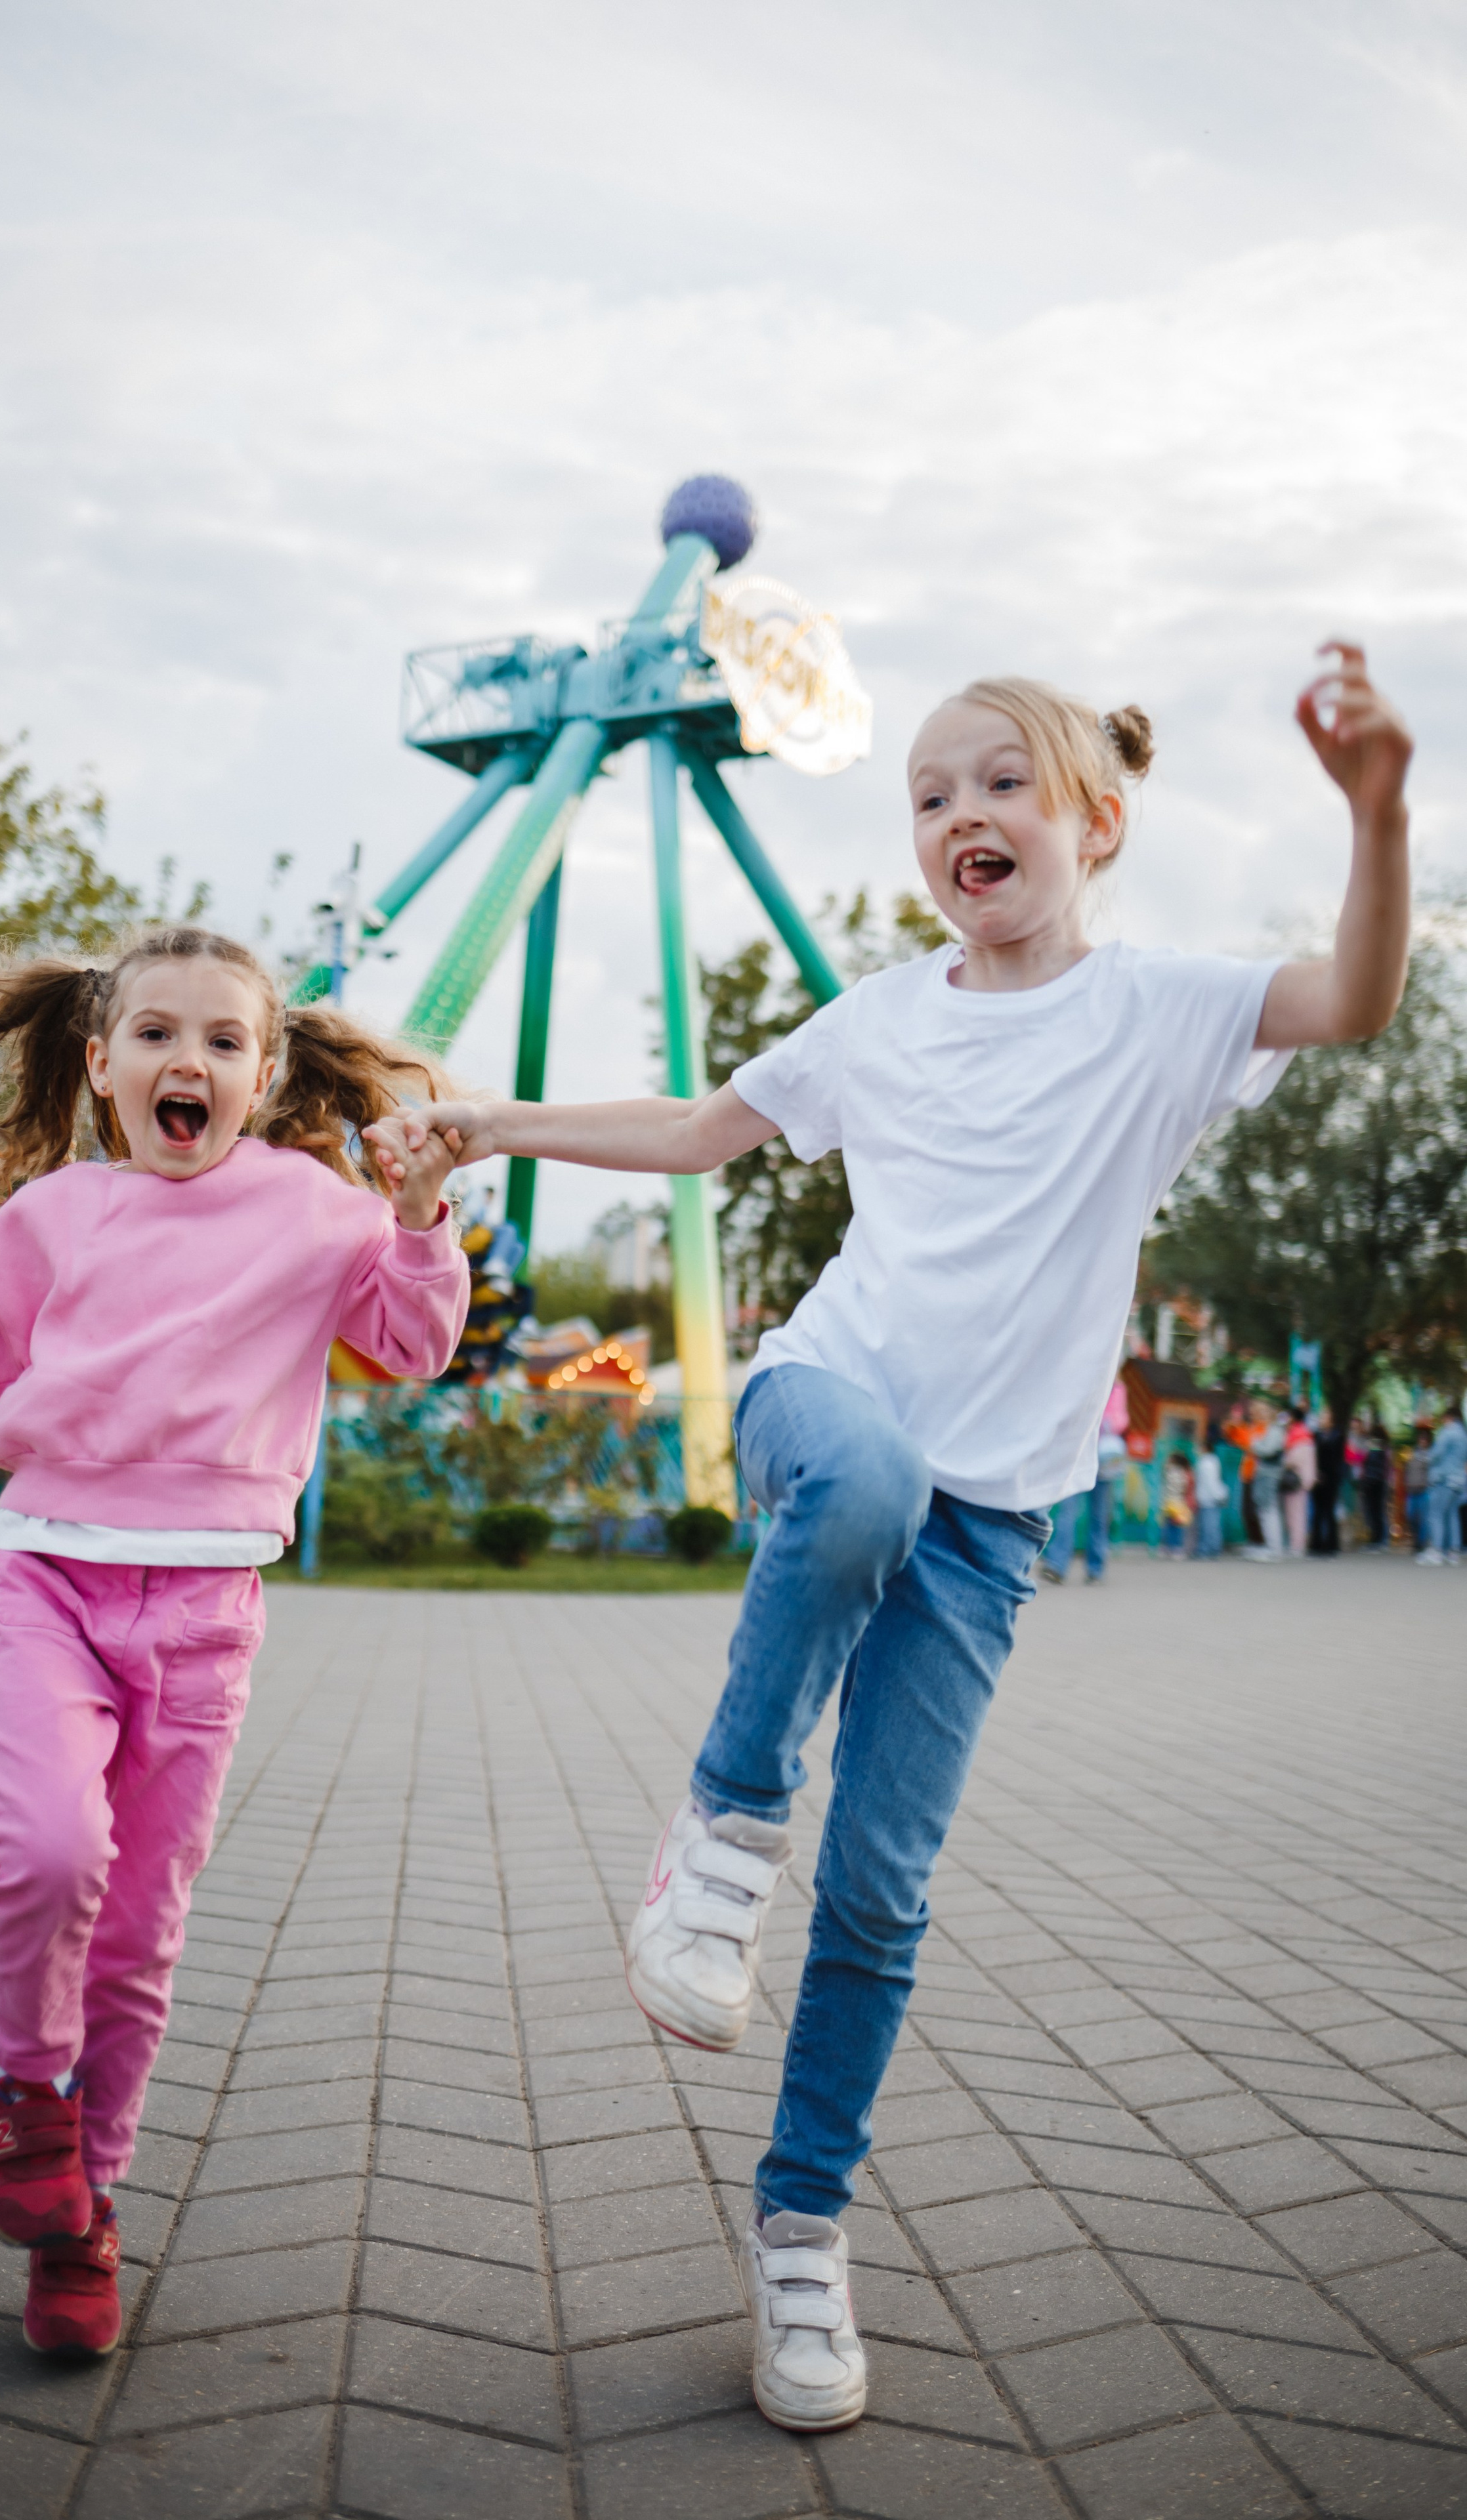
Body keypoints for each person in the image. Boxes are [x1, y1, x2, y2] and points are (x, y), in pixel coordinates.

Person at [375, 642, 1411, 2433]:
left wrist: (1379, 812)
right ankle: (720, 1833)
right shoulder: (879, 1018)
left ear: (1094, 822)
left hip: (993, 1519)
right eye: (929, 796)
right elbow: (702, 1135)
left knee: (883, 1897)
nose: (959, 818)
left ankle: (800, 2232)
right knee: (861, 1487)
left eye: (998, 784)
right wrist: (491, 1124)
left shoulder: (1165, 1012)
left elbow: (1358, 1000)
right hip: (826, 1402)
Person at [0, 927, 468, 2360]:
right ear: (101, 1061)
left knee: (137, 1930)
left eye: (218, 1041)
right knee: (51, 1856)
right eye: (153, 1035)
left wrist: (424, 1212)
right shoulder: (53, 1216)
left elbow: (409, 1340)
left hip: (205, 1612)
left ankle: (85, 2214)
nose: (183, 1061)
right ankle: (28, 2098)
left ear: (260, 1080)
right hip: (48, 1586)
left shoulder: (315, 1217)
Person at [1040, 1377, 1128, 1584]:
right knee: (1068, 1512)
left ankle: (1095, 1568)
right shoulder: (1086, 1379)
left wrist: (1102, 1421)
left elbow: (1121, 1421)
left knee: (1097, 1515)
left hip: (1102, 1460)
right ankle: (1057, 1565)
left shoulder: (1117, 1388)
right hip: (1078, 1458)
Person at [1428, 1403, 1467, 1563]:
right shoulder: (1464, 1435)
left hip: (1445, 1479)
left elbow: (1436, 1454)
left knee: (1436, 1514)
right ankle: (1454, 1551)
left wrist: (1428, 1459)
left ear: (1448, 1418)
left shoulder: (1448, 1432)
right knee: (1452, 1515)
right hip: (1458, 1480)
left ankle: (1437, 1550)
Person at [1248, 1399, 1287, 1558]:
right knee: (1265, 1510)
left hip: (1270, 1473)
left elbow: (1268, 1450)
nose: (1261, 1414)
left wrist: (1256, 1445)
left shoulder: (1275, 1430)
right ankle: (1271, 1546)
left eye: (1264, 1411)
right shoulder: (1270, 1430)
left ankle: (1274, 1548)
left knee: (1269, 1510)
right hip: (1265, 1472)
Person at [1281, 1407, 1317, 1557]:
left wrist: (1284, 1461)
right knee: (1296, 1512)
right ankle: (1296, 1544)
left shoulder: (1298, 1435)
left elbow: (1293, 1460)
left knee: (1296, 1513)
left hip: (1296, 1480)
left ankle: (1297, 1546)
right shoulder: (1305, 1434)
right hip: (1301, 1480)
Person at [1309, 1412, 1345, 1555]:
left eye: (1324, 1417)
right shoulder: (1317, 1436)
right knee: (1318, 1512)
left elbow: (1337, 1460)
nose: (1321, 1419)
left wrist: (1331, 1476)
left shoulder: (1338, 1437)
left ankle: (1331, 1545)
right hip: (1318, 1478)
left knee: (1329, 1512)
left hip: (1331, 1479)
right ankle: (1316, 1545)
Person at [1193, 1429, 1228, 1558]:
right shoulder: (1210, 1461)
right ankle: (1210, 1549)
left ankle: (1208, 1550)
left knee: (1209, 1527)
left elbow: (1211, 1483)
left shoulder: (1207, 1463)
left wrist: (1218, 1496)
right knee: (1209, 1526)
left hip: (1209, 1500)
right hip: (1208, 1499)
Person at [1359, 1421, 1391, 1550]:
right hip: (1381, 1481)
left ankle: (1377, 1539)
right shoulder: (1386, 1447)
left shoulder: (1372, 1446)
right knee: (1380, 1511)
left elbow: (1366, 1460)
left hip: (1371, 1481)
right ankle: (1382, 1540)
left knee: (1372, 1512)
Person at [1407, 1425, 1436, 1561]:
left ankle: (1421, 1544)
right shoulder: (1414, 1453)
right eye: (1421, 1439)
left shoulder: (1432, 1455)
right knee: (1411, 1516)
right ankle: (1417, 1540)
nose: (1422, 1441)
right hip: (1412, 1490)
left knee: (1424, 1519)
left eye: (1425, 1439)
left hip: (1425, 1490)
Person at [1160, 1450, 1195, 1554]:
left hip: (1171, 1502)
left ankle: (1170, 1547)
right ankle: (1175, 1547)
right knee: (1176, 1527)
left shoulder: (1171, 1471)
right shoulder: (1183, 1472)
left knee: (1170, 1526)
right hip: (1179, 1502)